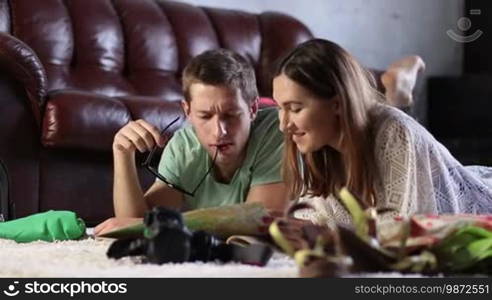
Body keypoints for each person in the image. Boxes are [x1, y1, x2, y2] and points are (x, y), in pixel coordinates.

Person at [272, 38, 492, 227]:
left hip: (480, 204)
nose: (283, 125)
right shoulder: (312, 143)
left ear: (337, 103)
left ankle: (399, 93)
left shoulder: (396, 132)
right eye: (280, 108)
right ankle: (399, 93)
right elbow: (314, 223)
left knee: (393, 126)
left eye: (295, 108)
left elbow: (402, 234)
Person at [94, 49, 288, 236]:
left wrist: (169, 223)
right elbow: (135, 225)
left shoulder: (277, 130)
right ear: (187, 111)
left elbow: (259, 223)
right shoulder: (184, 146)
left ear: (253, 108)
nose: (219, 131)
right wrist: (122, 154)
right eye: (205, 116)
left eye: (231, 115)